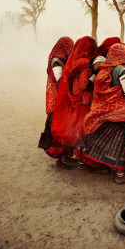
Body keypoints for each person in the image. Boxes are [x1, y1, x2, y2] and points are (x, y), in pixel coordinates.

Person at [76, 43, 125, 184]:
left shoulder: (103, 70)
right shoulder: (122, 71)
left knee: (96, 138)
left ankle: (82, 161)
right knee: (120, 144)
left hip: (101, 112)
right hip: (120, 115)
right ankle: (120, 175)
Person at [46, 36, 97, 166]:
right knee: (64, 126)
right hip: (60, 96)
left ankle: (64, 155)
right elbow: (62, 80)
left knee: (66, 125)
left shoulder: (71, 62)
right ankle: (62, 156)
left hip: (66, 96)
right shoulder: (58, 61)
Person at [38, 36, 74, 158]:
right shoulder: (57, 61)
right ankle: (58, 157)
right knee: (56, 127)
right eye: (69, 46)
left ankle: (61, 156)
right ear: (64, 47)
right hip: (56, 96)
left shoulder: (60, 59)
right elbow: (59, 80)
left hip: (57, 95)